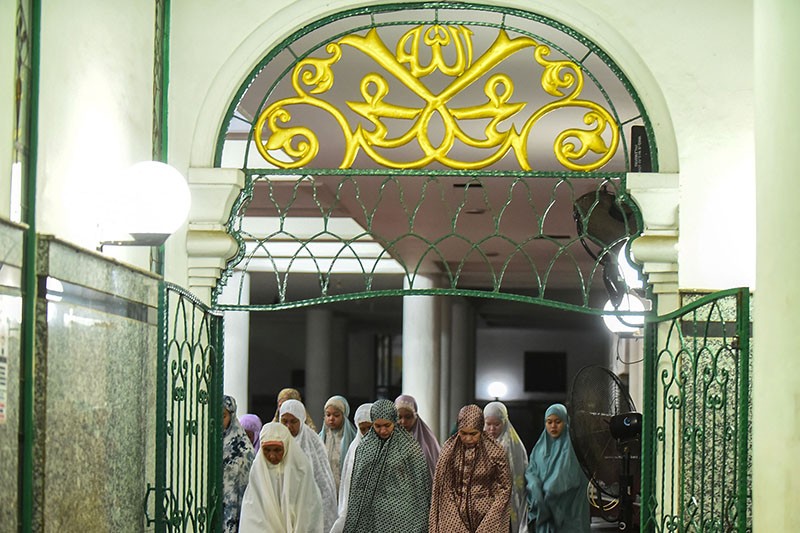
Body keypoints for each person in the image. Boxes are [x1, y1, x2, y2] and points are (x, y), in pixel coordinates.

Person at [343, 399, 431, 533]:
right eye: (378, 426)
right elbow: (358, 487)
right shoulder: (365, 447)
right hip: (372, 516)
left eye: (387, 425)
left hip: (402, 516)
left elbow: (420, 485)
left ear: (394, 421)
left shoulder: (409, 447)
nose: (383, 430)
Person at [429, 404, 511, 533]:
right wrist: (455, 523)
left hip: (487, 516)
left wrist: (490, 521)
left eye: (473, 434)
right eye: (463, 433)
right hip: (454, 516)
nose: (468, 439)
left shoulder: (494, 450)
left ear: (480, 429)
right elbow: (444, 487)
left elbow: (504, 487)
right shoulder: (449, 451)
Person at [239, 422, 325, 533]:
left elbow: (308, 510)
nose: (272, 456)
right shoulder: (258, 470)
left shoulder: (300, 469)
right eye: (267, 450)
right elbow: (253, 513)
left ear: (287, 446)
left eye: (277, 450)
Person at [525, 404, 590, 533]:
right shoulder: (540, 448)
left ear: (566, 422)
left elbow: (569, 477)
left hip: (568, 513)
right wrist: (535, 487)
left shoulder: (572, 449)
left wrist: (548, 493)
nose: (553, 426)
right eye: (549, 422)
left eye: (558, 422)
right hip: (545, 515)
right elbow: (531, 470)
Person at [280, 399, 338, 532]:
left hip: (307, 511)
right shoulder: (275, 442)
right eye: (284, 421)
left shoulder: (313, 443)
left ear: (301, 420)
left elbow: (324, 484)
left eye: (293, 421)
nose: (288, 426)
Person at [484, 401, 529, 533]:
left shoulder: (513, 446)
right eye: (488, 424)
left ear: (504, 423)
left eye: (496, 424)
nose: (492, 429)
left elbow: (517, 476)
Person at [330, 402, 372, 533]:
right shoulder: (355, 448)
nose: (366, 433)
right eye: (362, 429)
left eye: (370, 428)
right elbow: (348, 484)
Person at [222, 395, 255, 533]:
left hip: (234, 512)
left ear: (232, 416)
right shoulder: (206, 443)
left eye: (223, 416)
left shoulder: (243, 450)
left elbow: (247, 488)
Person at [395, 394, 442, 479]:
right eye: (399, 417)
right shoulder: (389, 440)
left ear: (415, 416)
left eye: (408, 417)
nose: (403, 421)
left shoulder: (428, 441)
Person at [319, 395, 358, 491]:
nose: (331, 418)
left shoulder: (352, 439)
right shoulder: (319, 439)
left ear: (344, 416)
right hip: (324, 488)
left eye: (336, 415)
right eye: (328, 415)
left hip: (344, 488)